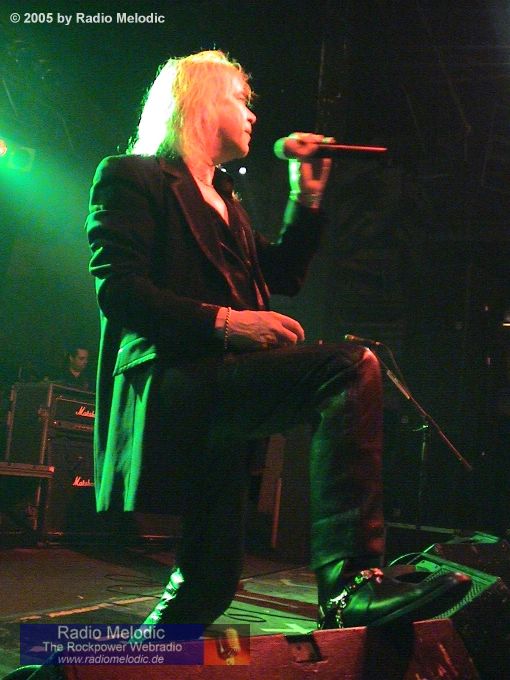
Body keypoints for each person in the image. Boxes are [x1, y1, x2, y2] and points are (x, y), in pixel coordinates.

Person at [86, 50, 470, 630]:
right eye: (240, 99)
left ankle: (107, 667)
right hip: (173, 380)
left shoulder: (226, 202)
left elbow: (283, 274)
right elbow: (120, 292)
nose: (252, 115)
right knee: (349, 366)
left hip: (219, 388)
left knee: (208, 582)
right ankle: (351, 584)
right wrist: (228, 322)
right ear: (197, 101)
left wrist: (306, 196)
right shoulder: (132, 175)